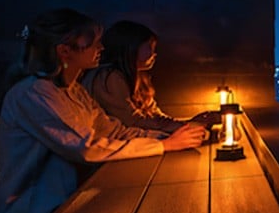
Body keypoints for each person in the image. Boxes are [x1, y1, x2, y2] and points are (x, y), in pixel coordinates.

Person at [0, 8, 207, 213]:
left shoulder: (72, 90)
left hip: (70, 202)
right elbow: (86, 147)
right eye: (93, 43)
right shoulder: (34, 95)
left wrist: (166, 137)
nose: (101, 48)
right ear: (65, 51)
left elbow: (112, 130)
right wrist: (164, 145)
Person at [83, 20, 219, 132]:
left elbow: (153, 115)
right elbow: (132, 121)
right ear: (131, 47)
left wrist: (188, 123)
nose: (154, 54)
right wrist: (185, 126)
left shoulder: (138, 76)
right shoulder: (109, 77)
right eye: (149, 47)